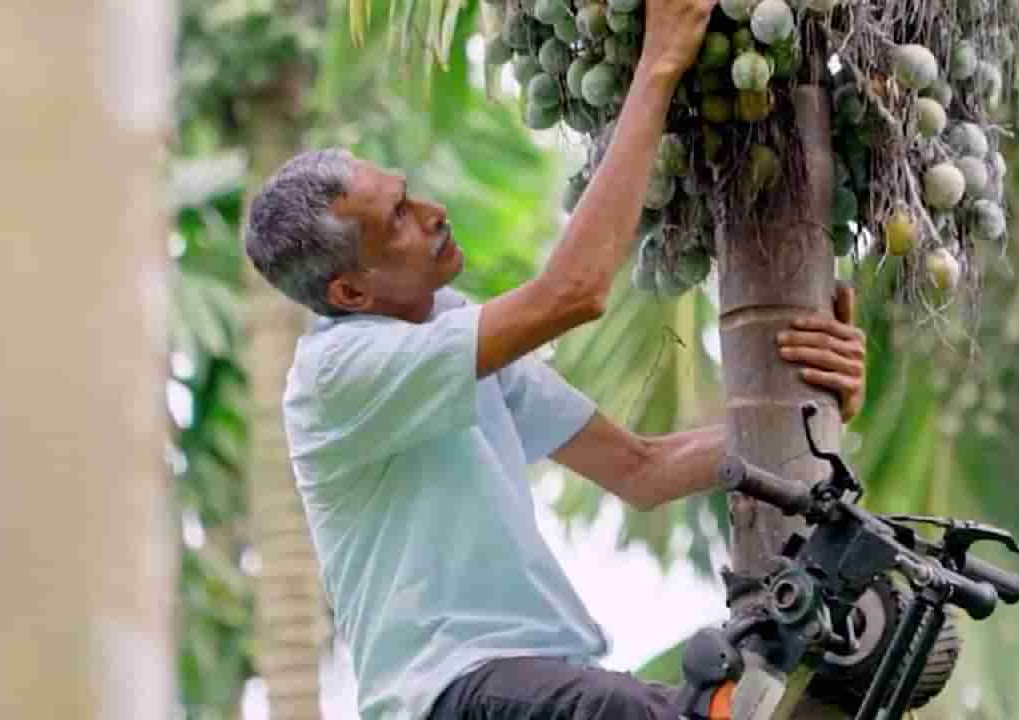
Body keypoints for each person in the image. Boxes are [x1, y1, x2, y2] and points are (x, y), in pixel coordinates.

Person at [242, 0, 866, 715]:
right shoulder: (338, 375)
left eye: (407, 195)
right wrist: (659, 64)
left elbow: (644, 468)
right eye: (399, 220)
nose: (433, 212)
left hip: (531, 679)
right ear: (350, 291)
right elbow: (573, 293)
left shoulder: (450, 331)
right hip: (456, 693)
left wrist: (810, 411)